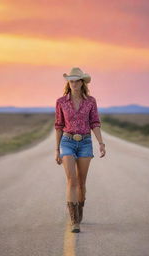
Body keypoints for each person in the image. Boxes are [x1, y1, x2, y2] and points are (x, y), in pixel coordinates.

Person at [54, 67, 106, 233]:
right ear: (68, 83)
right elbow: (59, 125)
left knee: (81, 183)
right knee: (72, 180)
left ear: (82, 82)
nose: (74, 84)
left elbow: (95, 123)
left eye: (77, 80)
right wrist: (57, 149)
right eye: (71, 81)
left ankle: (80, 208)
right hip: (67, 141)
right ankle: (74, 220)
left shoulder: (91, 101)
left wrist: (101, 143)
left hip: (85, 142)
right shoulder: (61, 102)